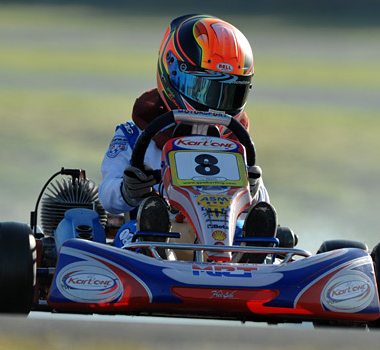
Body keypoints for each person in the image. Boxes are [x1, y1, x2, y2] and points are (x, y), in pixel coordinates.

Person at [98, 14, 277, 260]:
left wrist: (253, 189)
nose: (215, 106)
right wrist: (128, 190)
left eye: (227, 94)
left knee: (246, 231)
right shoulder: (134, 134)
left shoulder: (236, 142)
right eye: (203, 88)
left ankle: (250, 259)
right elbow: (107, 196)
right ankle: (159, 255)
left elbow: (261, 204)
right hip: (155, 232)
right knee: (132, 232)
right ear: (171, 73)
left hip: (218, 236)